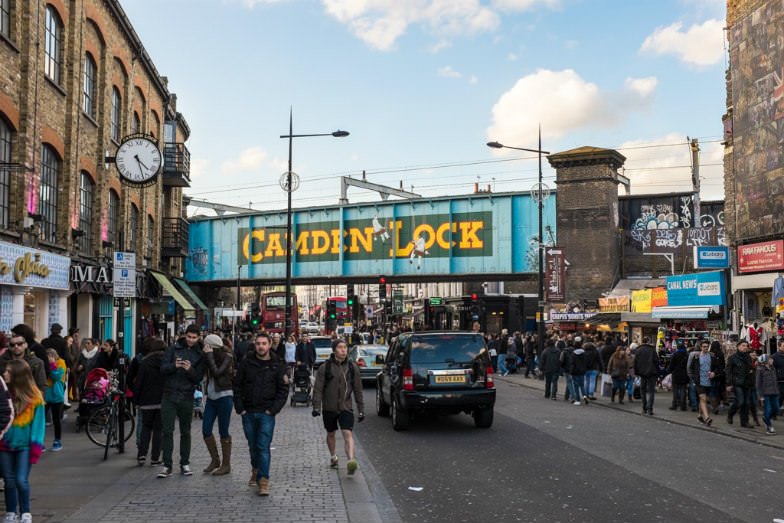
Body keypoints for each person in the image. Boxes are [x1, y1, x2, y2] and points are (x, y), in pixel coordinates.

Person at [233, 332, 288, 496]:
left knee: (263, 446)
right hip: (248, 411)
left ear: (270, 345)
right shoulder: (246, 363)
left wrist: (272, 410)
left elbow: (283, 390)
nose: (261, 346)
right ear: (254, 345)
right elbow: (237, 385)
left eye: (264, 343)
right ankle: (255, 469)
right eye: (258, 343)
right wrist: (240, 408)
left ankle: (263, 480)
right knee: (252, 445)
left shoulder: (277, 364)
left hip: (266, 412)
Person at [157, 325, 205, 478]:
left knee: (186, 431)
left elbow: (198, 378)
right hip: (169, 394)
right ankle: (167, 465)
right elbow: (162, 369)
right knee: (167, 430)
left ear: (199, 337)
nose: (190, 340)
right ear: (185, 335)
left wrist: (190, 369)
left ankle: (185, 463)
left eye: (194, 337)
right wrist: (174, 366)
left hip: (186, 395)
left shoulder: (200, 353)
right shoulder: (173, 349)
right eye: (189, 337)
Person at [0, 360, 44, 523]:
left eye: (9, 372)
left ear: (18, 375)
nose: (5, 374)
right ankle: (11, 512)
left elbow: (39, 427)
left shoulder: (35, 398)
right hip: (4, 445)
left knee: (21, 480)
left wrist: (36, 449)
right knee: (9, 481)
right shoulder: (4, 395)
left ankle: (25, 512)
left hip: (25, 446)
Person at [312, 339, 365, 474]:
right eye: (340, 347)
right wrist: (316, 407)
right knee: (331, 433)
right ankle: (333, 457)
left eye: (345, 347)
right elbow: (318, 388)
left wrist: (361, 409)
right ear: (334, 350)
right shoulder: (326, 367)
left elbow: (358, 390)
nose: (343, 350)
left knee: (348, 433)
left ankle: (350, 461)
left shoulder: (353, 367)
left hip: (346, 407)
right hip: (329, 407)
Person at [201, 334, 235, 476]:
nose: (204, 347)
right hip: (211, 398)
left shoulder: (227, 357)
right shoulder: (208, 356)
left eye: (206, 345)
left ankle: (226, 465)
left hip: (224, 396)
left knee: (223, 431)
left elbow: (217, 373)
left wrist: (209, 357)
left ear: (212, 347)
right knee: (206, 429)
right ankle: (215, 460)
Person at [134, 338, 166, 467]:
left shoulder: (145, 363)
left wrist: (137, 400)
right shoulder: (167, 363)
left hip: (146, 401)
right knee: (158, 430)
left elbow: (138, 383)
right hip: (162, 401)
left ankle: (142, 455)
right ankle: (155, 458)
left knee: (146, 428)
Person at [688, 340, 718, 426]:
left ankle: (699, 415)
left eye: (707, 347)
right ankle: (707, 417)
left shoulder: (712, 356)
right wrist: (693, 378)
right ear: (701, 347)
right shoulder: (696, 356)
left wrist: (714, 373)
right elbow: (691, 368)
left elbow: (717, 367)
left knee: (704, 399)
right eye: (704, 347)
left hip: (708, 381)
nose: (706, 348)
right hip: (699, 381)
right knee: (703, 398)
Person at [726, 340, 754, 428]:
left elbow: (751, 369)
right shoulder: (732, 358)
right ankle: (730, 413)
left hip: (747, 383)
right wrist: (729, 384)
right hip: (737, 382)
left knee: (746, 403)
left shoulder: (748, 357)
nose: (745, 347)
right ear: (738, 347)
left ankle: (745, 421)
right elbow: (728, 372)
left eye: (746, 346)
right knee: (740, 401)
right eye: (743, 345)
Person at [43, 349, 66, 452]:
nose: (48, 359)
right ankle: (40, 442)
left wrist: (53, 365)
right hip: (46, 396)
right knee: (41, 420)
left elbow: (57, 377)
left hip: (56, 396)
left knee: (56, 420)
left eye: (49, 356)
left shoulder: (61, 363)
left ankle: (57, 441)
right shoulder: (44, 364)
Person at [633, 336, 658, 415]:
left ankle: (644, 407)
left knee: (642, 390)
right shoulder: (652, 350)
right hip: (651, 373)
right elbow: (656, 361)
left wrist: (636, 373)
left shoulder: (638, 350)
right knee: (651, 391)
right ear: (648, 341)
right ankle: (650, 408)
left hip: (642, 373)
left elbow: (635, 362)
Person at [757, 354, 780, 435]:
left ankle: (766, 418)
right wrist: (761, 396)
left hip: (775, 393)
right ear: (766, 360)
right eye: (770, 359)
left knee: (777, 409)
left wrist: (777, 391)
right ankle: (769, 427)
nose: (772, 360)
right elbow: (758, 384)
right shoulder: (760, 370)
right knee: (768, 410)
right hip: (766, 394)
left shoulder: (773, 369)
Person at [667, 342, 689, 411]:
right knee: (683, 390)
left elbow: (671, 365)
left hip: (676, 374)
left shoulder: (675, 355)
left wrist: (669, 370)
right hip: (684, 374)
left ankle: (674, 405)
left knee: (675, 391)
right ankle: (683, 406)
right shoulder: (686, 355)